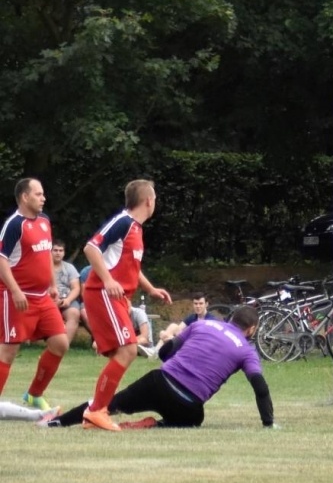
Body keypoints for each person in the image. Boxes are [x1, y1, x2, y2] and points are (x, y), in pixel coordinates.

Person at [51, 305, 274, 429]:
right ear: (252, 329)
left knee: (106, 403)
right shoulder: (246, 350)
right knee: (195, 420)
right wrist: (268, 423)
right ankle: (153, 425)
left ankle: (57, 423)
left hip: (159, 381)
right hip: (188, 404)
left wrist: (172, 367)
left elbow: (167, 350)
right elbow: (260, 387)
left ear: (231, 318)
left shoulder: (203, 324)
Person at [80, 179, 173, 432]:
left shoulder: (136, 229)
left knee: (121, 353)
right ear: (148, 201)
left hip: (118, 298)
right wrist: (108, 280)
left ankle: (95, 414)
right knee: (129, 350)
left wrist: (150, 288)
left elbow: (132, 266)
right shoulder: (122, 222)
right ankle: (96, 411)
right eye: (155, 199)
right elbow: (91, 248)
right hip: (103, 293)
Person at [0, 178, 71, 410]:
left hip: (42, 297)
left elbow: (46, 256)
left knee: (60, 343)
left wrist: (52, 284)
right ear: (25, 197)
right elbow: (1, 260)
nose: (43, 198)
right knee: (9, 350)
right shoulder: (14, 225)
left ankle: (33, 394)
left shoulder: (44, 221)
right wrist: (15, 290)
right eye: (38, 194)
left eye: (43, 194)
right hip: (17, 297)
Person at [157, 292, 222, 346]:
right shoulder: (192, 317)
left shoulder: (210, 320)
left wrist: (172, 338)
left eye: (201, 304)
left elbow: (201, 338)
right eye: (196, 304)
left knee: (168, 337)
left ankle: (155, 352)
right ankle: (155, 352)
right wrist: (167, 335)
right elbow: (179, 329)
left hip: (200, 345)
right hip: (188, 341)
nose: (198, 306)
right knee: (173, 326)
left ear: (206, 304)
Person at [52, 241, 82, 342]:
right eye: (55, 250)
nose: (58, 253)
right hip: (48, 300)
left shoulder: (69, 267)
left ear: (64, 253)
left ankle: (64, 345)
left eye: (61, 251)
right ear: (50, 252)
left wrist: (68, 300)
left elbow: (76, 288)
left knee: (74, 313)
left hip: (67, 300)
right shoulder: (42, 267)